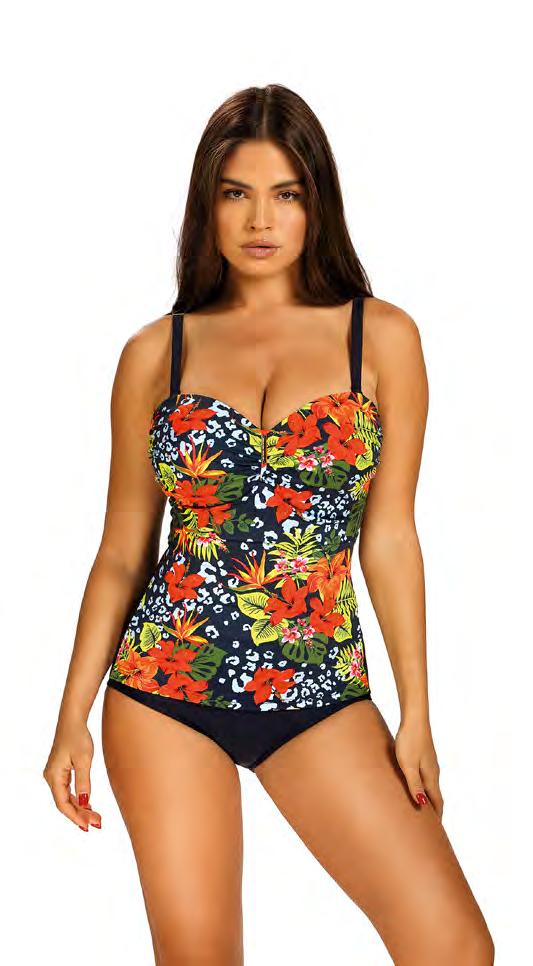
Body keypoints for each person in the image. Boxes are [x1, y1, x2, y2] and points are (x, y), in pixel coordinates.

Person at [43, 84, 495, 965]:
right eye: (235, 193)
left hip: (319, 691)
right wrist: (71, 716)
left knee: (452, 947)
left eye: (285, 193)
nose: (260, 220)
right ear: (205, 205)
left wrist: (415, 714)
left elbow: (390, 537)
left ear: (316, 203)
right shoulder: (156, 352)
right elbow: (122, 552)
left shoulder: (380, 338)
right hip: (163, 690)